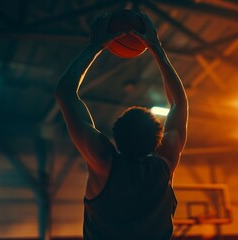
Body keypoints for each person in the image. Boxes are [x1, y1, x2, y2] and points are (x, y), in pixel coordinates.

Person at [54, 11, 188, 240]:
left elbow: (65, 93)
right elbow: (179, 103)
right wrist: (156, 47)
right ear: (158, 139)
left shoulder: (103, 161)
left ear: (115, 137)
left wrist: (95, 46)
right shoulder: (165, 163)